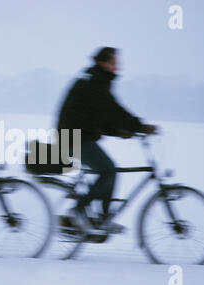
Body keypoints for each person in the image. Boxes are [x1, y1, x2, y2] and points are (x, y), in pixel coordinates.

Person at [57, 47, 158, 234]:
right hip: (72, 136)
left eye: (117, 63)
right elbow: (111, 109)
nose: (117, 68)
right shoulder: (95, 82)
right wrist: (138, 126)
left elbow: (100, 115)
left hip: (78, 134)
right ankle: (76, 212)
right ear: (102, 63)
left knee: (109, 170)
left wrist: (120, 130)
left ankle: (101, 219)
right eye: (113, 63)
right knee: (108, 171)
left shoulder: (96, 80)